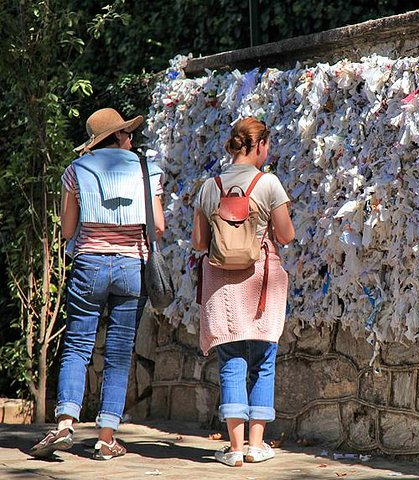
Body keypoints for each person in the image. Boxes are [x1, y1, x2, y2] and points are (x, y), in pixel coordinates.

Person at [30, 108, 165, 460]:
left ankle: (64, 425)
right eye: (127, 133)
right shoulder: (146, 170)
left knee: (77, 344)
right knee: (119, 354)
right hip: (132, 267)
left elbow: (68, 230)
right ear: (117, 136)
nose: (131, 139)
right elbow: (160, 227)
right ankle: (106, 440)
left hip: (89, 265)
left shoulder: (77, 170)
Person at [192, 117, 295, 467]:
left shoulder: (210, 186)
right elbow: (286, 235)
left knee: (231, 360)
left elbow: (198, 242)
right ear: (260, 145)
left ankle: (234, 449)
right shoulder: (268, 183)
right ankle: (256, 444)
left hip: (222, 284)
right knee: (264, 359)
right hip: (261, 280)